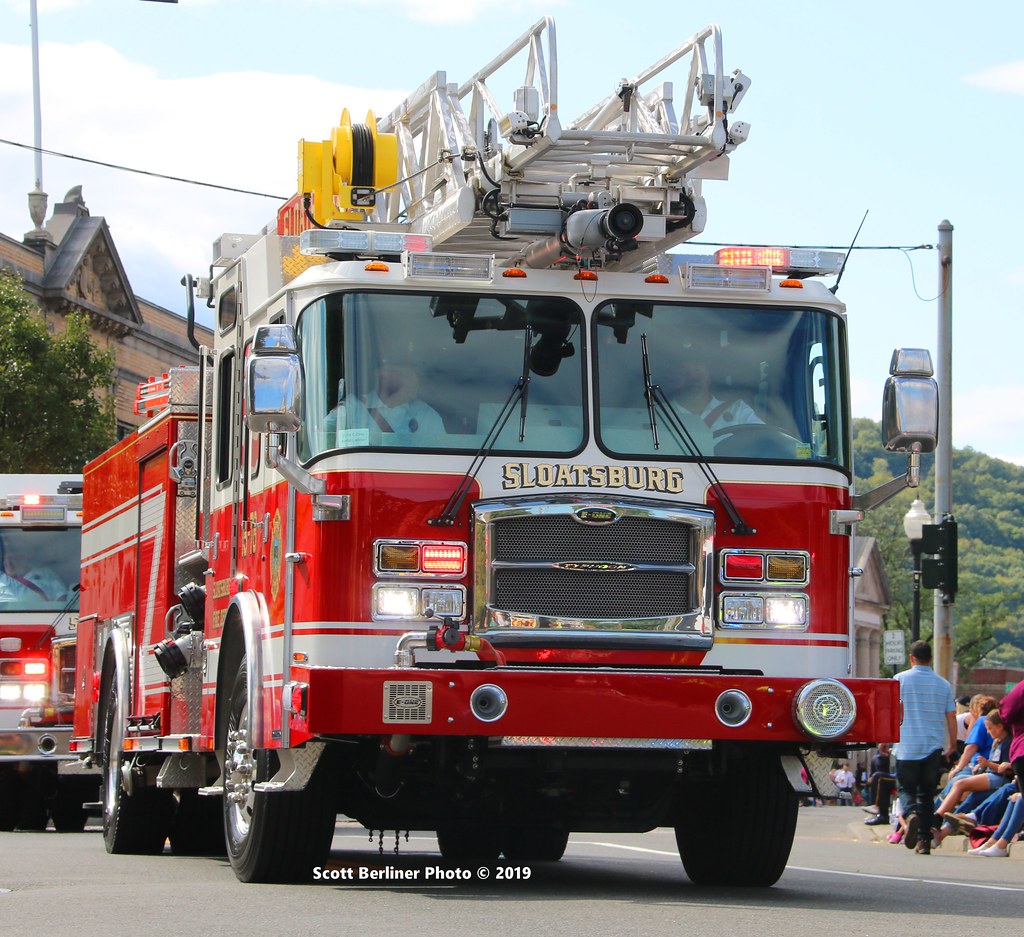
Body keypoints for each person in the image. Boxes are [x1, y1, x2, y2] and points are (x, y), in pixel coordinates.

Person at [894, 640, 957, 855]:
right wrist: (951, 744)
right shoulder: (943, 684)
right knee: (927, 794)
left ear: (912, 658)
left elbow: (891, 712)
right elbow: (951, 716)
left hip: (906, 745)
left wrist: (884, 740)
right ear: (931, 659)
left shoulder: (899, 680)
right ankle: (923, 842)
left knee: (905, 789)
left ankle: (910, 815)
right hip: (932, 747)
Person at [324, 358, 445, 445]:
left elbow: (441, 463)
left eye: (415, 373)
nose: (413, 378)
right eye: (404, 372)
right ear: (381, 373)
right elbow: (319, 437)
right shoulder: (353, 407)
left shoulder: (427, 416)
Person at [669, 356, 763, 432]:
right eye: (685, 373)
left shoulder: (738, 411)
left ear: (709, 378)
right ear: (674, 379)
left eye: (698, 374)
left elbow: (765, 442)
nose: (692, 378)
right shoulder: (659, 415)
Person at [0, 535, 68, 602]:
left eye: (11, 558)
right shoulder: (2, 580)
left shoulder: (45, 574)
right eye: (5, 559)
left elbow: (62, 599)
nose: (7, 562)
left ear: (24, 556)